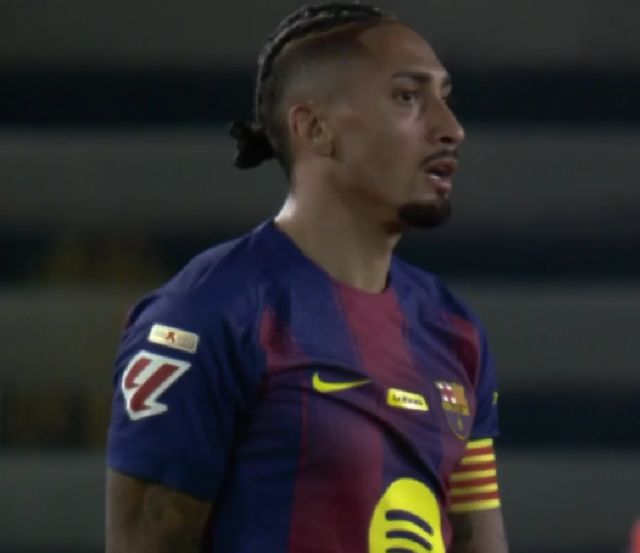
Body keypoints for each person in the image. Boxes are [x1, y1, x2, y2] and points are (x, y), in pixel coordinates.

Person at [105, 2, 509, 552]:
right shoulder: (206, 316)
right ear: (315, 129)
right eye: (407, 97)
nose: (451, 129)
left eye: (445, 98)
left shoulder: (455, 329)